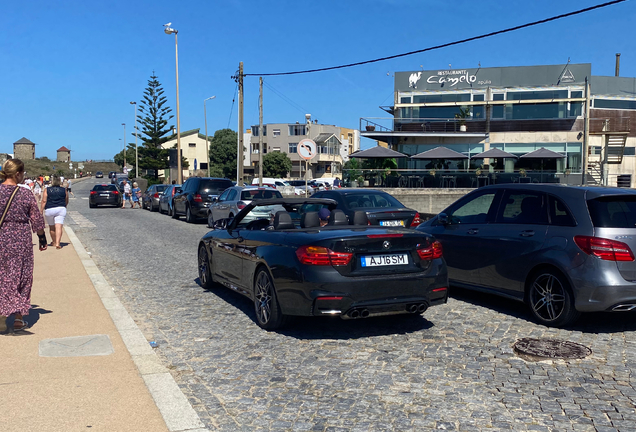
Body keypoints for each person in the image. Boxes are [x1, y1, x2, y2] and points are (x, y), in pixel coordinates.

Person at [0, 159, 48, 332]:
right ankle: (19, 319)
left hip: (1, 238)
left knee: (3, 275)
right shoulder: (25, 193)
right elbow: (36, 219)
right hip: (20, 239)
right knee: (22, 275)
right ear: (18, 173)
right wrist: (42, 239)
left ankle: (2, 313)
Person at [40, 175, 68, 250]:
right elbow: (66, 199)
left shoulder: (47, 189)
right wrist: (64, 206)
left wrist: (41, 210)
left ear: (51, 181)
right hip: (61, 208)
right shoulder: (63, 189)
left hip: (50, 209)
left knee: (52, 227)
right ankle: (58, 243)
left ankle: (54, 241)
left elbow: (44, 201)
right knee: (59, 226)